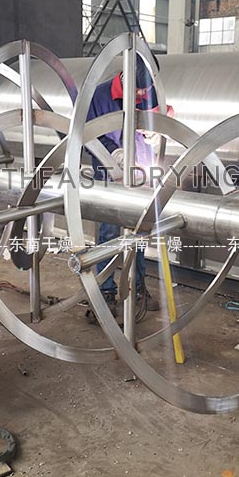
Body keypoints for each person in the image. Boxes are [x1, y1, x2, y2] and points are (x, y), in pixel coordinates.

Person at [85, 53, 163, 324]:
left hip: (142, 177)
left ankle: (137, 287)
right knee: (109, 235)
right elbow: (88, 136)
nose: (142, 94)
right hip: (110, 177)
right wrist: (114, 154)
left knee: (139, 233)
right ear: (125, 77)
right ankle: (105, 292)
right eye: (138, 89)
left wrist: (157, 132)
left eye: (146, 89)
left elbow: (163, 115)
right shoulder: (99, 96)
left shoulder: (150, 93)